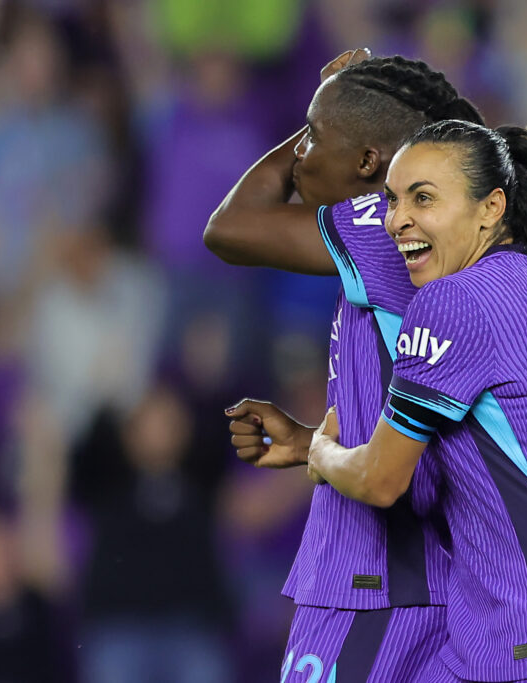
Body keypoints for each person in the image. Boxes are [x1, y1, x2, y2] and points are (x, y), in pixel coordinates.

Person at [303, 121, 527, 682]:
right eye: (392, 199)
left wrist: (322, 452)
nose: (396, 219)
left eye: (423, 198)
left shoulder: (453, 303)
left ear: (491, 207)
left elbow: (382, 479)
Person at [206, 50, 484, 681]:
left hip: (377, 581)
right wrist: (311, 443)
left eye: (315, 137)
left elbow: (229, 228)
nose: (302, 154)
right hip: (446, 581)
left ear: (367, 163)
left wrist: (326, 95)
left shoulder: (379, 229)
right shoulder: (446, 237)